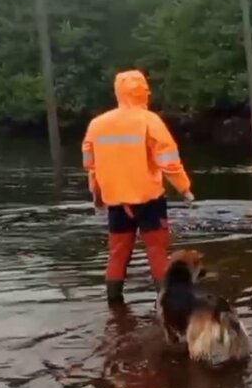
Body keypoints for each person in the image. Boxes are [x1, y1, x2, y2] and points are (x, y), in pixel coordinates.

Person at [82, 70, 194, 306]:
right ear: (143, 91)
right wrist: (184, 188)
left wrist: (97, 194)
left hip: (116, 201)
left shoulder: (97, 124)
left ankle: (114, 305)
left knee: (117, 253)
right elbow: (169, 160)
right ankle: (166, 305)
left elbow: (90, 165)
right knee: (157, 251)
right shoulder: (149, 120)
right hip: (148, 198)